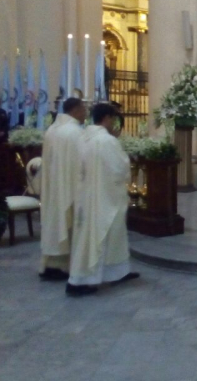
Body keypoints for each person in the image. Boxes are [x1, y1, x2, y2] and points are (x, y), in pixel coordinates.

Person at [67, 103, 138, 296]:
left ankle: (117, 272)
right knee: (102, 237)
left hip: (87, 196)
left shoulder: (84, 138)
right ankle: (82, 280)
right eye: (113, 119)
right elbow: (120, 169)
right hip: (104, 198)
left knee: (96, 237)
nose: (114, 123)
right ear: (106, 118)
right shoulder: (107, 141)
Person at [39, 98, 86, 281]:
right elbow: (82, 162)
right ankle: (64, 266)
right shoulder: (75, 132)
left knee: (53, 222)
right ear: (77, 110)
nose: (86, 113)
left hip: (53, 187)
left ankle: (51, 264)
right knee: (67, 224)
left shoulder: (52, 130)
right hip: (69, 187)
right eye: (84, 109)